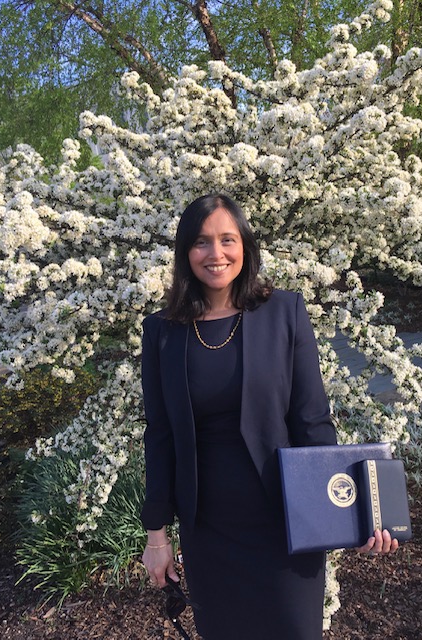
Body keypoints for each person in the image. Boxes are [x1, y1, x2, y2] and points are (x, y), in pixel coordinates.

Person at [140, 194, 398, 640]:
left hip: (286, 521)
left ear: (245, 246)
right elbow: (160, 435)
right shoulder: (163, 331)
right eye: (201, 242)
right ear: (185, 253)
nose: (215, 254)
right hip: (209, 530)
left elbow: (312, 419)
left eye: (227, 239)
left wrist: (355, 512)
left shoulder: (284, 312)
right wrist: (156, 538)